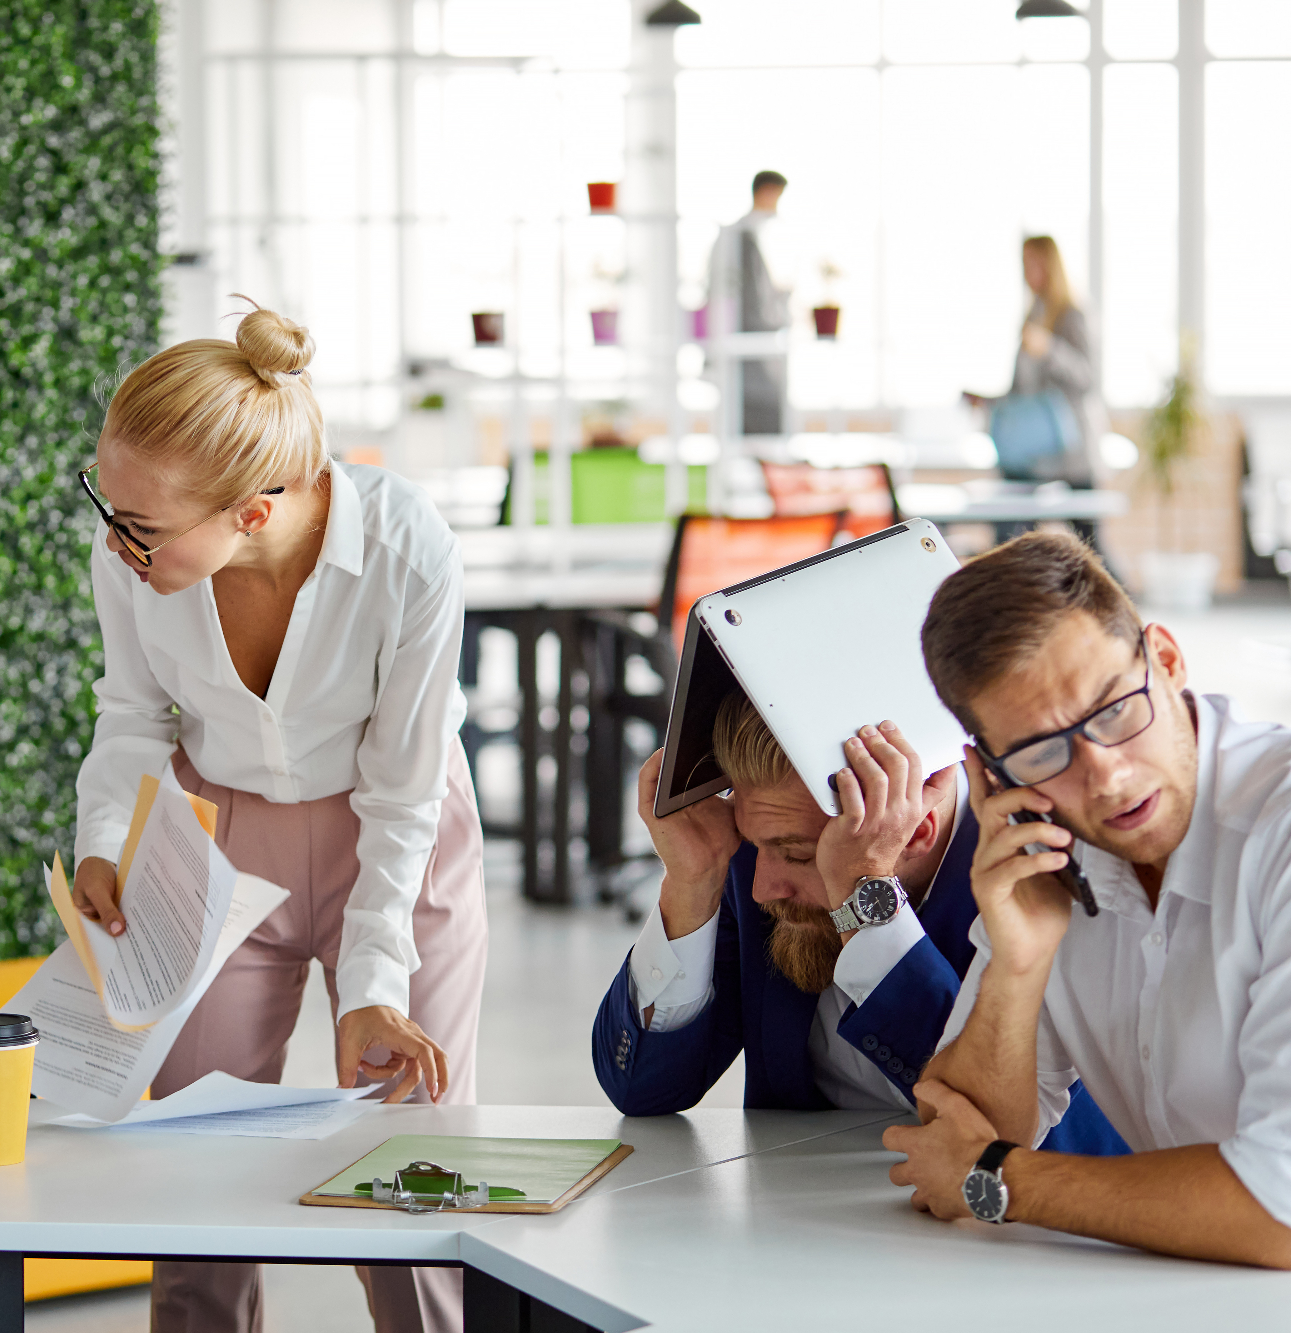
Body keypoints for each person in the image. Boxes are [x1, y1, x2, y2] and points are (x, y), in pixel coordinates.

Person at [71, 303, 485, 1333]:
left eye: (142, 526)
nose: (116, 540)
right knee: (193, 1176)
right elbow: (129, 719)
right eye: (105, 505)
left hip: (393, 840)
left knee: (407, 1175)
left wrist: (373, 983)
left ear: (252, 513)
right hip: (216, 838)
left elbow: (401, 790)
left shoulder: (404, 550)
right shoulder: (130, 551)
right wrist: (100, 847)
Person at [887, 532, 1291, 1267]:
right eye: (1043, 751)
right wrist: (1018, 961)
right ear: (992, 774)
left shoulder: (1279, 828)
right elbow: (952, 1123)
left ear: (1166, 661)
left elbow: (1281, 1209)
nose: (1103, 776)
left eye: (1114, 711)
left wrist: (1000, 1180)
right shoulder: (1047, 857)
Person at [592, 693, 1123, 1152]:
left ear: (915, 832)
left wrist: (864, 898)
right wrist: (692, 882)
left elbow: (1004, 1136)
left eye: (798, 856)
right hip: (801, 1229)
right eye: (759, 849)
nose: (762, 889)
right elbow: (642, 1089)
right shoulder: (759, 857)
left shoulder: (1046, 878)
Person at [964, 235, 1108, 547]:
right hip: (1033, 454)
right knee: (1011, 536)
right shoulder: (1033, 314)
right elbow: (1023, 392)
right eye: (1024, 264)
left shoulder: (1073, 314)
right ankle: (1009, 594)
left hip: (1072, 451)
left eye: (1034, 263)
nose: (1028, 272)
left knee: (1092, 546)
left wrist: (1049, 349)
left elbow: (1088, 380)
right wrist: (988, 401)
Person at [711, 169, 791, 436]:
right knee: (754, 413)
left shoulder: (747, 236)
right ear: (766, 192)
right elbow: (746, 300)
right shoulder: (739, 238)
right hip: (745, 344)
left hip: (752, 343)